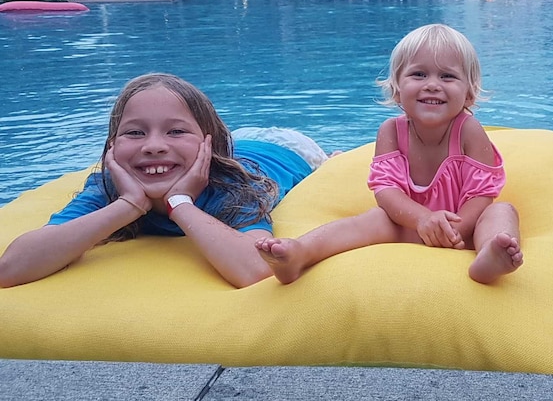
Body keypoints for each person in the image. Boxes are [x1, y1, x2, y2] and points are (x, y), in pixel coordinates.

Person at [0, 73, 327, 289]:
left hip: (286, 146)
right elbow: (11, 269)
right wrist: (128, 205)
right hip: (233, 142)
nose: (153, 145)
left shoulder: (233, 187)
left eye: (176, 130)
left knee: (323, 159)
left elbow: (256, 271)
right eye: (135, 133)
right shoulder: (107, 189)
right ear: (112, 146)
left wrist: (180, 203)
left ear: (206, 146)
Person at [256, 23, 523, 284]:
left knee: (501, 211)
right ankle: (301, 252)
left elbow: (481, 193)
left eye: (447, 76)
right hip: (406, 225)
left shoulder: (469, 131)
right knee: (373, 218)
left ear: (469, 93)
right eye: (419, 74)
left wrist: (454, 229)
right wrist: (423, 220)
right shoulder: (391, 132)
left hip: (463, 229)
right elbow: (386, 191)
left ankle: (490, 256)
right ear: (397, 89)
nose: (432, 85)